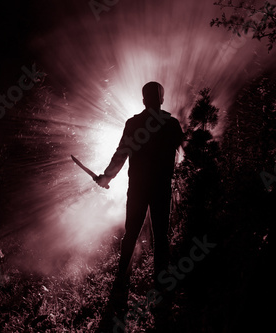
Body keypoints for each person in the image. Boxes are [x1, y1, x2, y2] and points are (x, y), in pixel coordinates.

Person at [95, 82, 184, 321]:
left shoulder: (133, 124)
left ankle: (121, 278)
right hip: (161, 189)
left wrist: (107, 176)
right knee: (161, 236)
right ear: (162, 100)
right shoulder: (172, 125)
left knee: (132, 233)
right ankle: (161, 284)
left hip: (138, 189)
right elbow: (187, 154)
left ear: (144, 100)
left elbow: (121, 153)